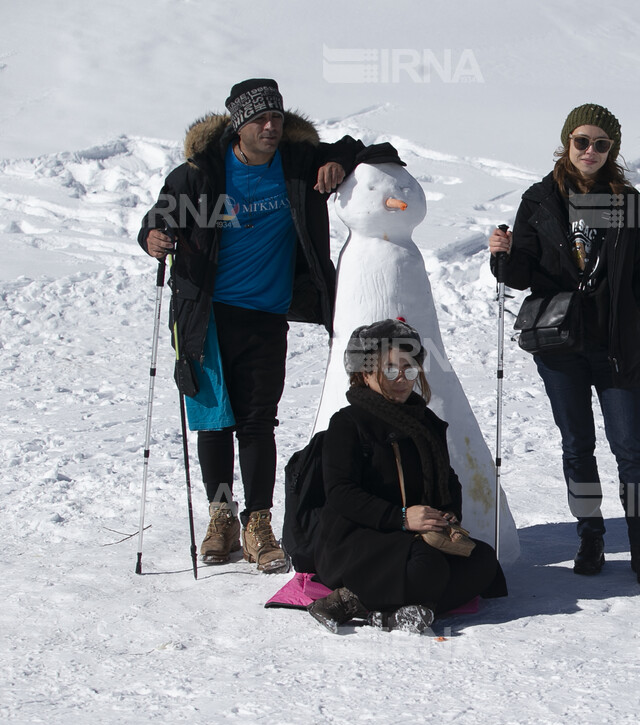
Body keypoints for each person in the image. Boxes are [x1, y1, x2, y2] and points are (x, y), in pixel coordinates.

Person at [138, 78, 364, 571]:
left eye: (277, 119)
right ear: (239, 125)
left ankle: (257, 520)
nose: (270, 127)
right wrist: (155, 236)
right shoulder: (203, 174)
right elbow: (160, 217)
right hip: (205, 315)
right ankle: (221, 516)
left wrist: (338, 162)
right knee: (215, 423)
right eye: (260, 119)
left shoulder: (298, 167)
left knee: (258, 421)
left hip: (265, 316)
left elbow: (365, 147)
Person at [488, 104, 640, 586]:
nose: (590, 151)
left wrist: (635, 310)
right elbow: (522, 273)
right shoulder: (541, 199)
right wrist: (502, 257)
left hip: (616, 345)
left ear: (613, 150)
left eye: (601, 144)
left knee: (630, 447)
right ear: (567, 142)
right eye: (581, 141)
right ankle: (590, 536)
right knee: (577, 447)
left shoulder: (627, 200)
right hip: (560, 344)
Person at [307, 320, 508, 633]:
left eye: (409, 369)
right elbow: (340, 492)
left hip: (413, 535)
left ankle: (394, 610)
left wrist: (447, 513)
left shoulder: (425, 422)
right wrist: (400, 518)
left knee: (482, 561)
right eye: (390, 370)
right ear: (364, 372)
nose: (402, 379)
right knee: (428, 566)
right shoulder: (347, 423)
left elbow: (448, 478)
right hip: (358, 538)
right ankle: (352, 597)